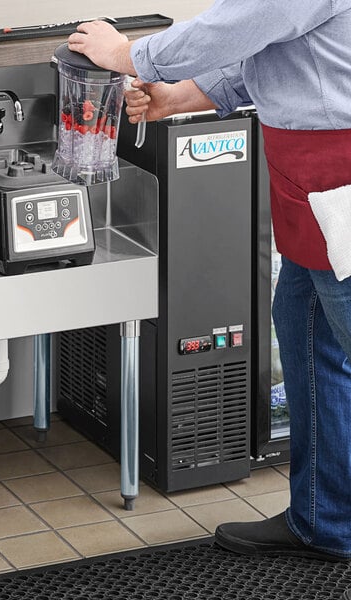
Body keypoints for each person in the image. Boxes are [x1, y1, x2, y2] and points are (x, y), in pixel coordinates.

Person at [68, 1, 351, 563]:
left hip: (338, 181)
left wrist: (128, 54)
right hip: (312, 191)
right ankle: (328, 520)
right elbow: (275, 51)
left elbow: (238, 28)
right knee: (306, 335)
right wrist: (177, 96)